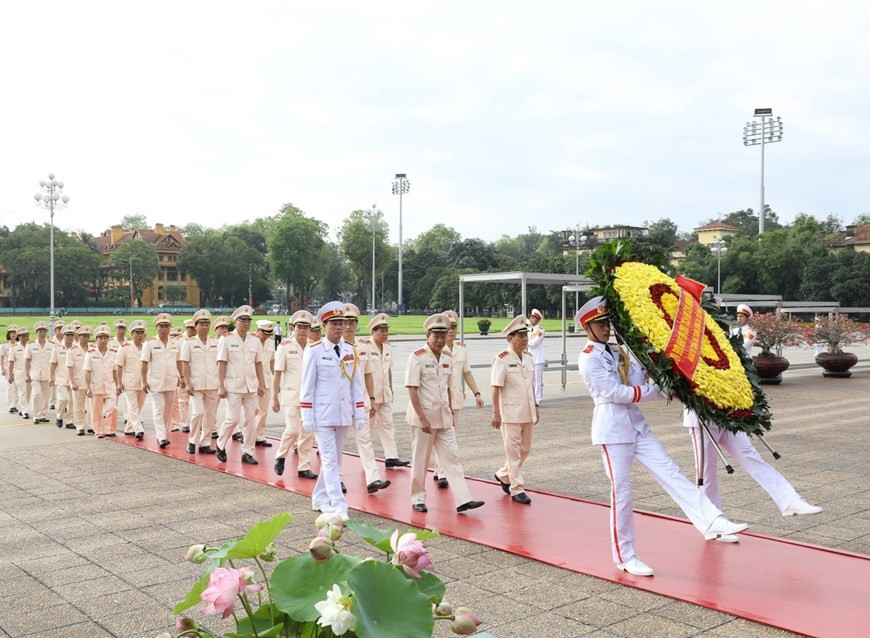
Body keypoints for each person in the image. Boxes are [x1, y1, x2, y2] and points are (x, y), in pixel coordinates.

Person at [577, 296, 748, 577]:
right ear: (588, 328)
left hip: (637, 426)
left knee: (672, 472)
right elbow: (614, 393)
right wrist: (652, 391)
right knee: (622, 493)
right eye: (600, 324)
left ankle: (712, 520)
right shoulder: (588, 358)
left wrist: (658, 368)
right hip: (612, 429)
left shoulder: (620, 351)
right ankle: (625, 556)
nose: (606, 328)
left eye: (607, 322)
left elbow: (637, 377)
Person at [405, 313, 484, 515]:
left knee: (452, 458)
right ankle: (418, 498)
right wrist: (422, 418)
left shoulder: (448, 357)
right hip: (424, 419)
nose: (440, 340)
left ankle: (463, 499)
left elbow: (449, 387)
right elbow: (412, 390)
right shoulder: (417, 357)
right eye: (436, 336)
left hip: (443, 417)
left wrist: (449, 409)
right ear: (427, 336)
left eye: (443, 335)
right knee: (421, 460)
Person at [683, 408, 823, 516]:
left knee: (752, 458)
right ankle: (712, 519)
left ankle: (790, 500)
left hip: (728, 416)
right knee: (707, 471)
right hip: (702, 419)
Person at [300, 301, 365, 518]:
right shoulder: (315, 351)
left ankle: (319, 498)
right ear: (324, 325)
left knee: (334, 461)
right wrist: (306, 414)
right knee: (329, 461)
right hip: (323, 415)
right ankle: (339, 506)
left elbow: (356, 385)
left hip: (343, 413)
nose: (339, 327)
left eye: (341, 323)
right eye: (334, 323)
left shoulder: (350, 350)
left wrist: (360, 412)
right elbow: (307, 386)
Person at [342, 304, 391, 494]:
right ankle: (336, 479)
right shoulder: (332, 346)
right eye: (344, 322)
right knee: (338, 443)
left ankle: (373, 479)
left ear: (356, 324)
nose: (347, 326)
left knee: (365, 440)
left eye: (351, 322)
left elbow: (369, 374)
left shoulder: (364, 346)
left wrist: (371, 398)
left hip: (361, 400)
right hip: (341, 403)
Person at [491, 315, 539, 505]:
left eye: (526, 336)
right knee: (513, 453)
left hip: (527, 411)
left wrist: (536, 405)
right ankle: (516, 488)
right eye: (520, 336)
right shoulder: (502, 359)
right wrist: (496, 413)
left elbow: (531, 386)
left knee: (525, 449)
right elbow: (495, 387)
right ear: (510, 338)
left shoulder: (528, 358)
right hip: (509, 413)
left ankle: (503, 474)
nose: (525, 340)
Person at [432, 310, 483, 488]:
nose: (452, 331)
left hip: (456, 398)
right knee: (444, 435)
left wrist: (476, 392)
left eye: (454, 327)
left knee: (450, 436)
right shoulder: (436, 349)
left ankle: (440, 470)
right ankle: (441, 471)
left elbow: (466, 372)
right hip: (441, 399)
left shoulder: (461, 348)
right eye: (449, 328)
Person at [215, 305, 266, 465]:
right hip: (233, 385)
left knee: (250, 420)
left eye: (248, 320)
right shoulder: (227, 339)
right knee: (233, 418)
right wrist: (221, 385)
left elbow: (258, 364)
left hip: (251, 385)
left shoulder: (255, 340)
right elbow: (221, 363)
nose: (246, 323)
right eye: (242, 320)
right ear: (235, 322)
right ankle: (220, 444)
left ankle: (247, 451)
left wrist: (262, 384)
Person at [273, 310, 317, 479]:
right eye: (299, 326)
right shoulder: (285, 347)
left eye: (306, 327)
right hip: (291, 395)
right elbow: (277, 373)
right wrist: (274, 397)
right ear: (293, 327)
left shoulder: (314, 346)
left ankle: (304, 466)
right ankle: (281, 456)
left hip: (309, 397)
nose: (303, 330)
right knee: (292, 430)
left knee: (307, 432)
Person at [364, 313, 409, 469]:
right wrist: (367, 396)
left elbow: (388, 370)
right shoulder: (366, 347)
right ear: (373, 331)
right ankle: (367, 459)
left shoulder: (388, 347)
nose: (385, 334)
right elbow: (364, 373)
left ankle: (391, 457)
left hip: (385, 394)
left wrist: (390, 388)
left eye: (386, 331)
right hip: (370, 396)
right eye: (381, 331)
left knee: (388, 426)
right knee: (367, 429)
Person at [180, 309, 220, 455]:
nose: (204, 327)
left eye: (206, 324)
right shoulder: (189, 343)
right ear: (195, 326)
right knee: (198, 413)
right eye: (201, 324)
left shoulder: (216, 342)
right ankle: (192, 441)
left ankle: (205, 443)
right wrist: (187, 383)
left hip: (212, 384)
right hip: (196, 385)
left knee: (210, 415)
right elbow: (185, 363)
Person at [140, 313, 180, 448]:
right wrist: (144, 381)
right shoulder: (150, 343)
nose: (164, 329)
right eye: (161, 326)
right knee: (158, 409)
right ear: (156, 328)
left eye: (167, 326)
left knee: (168, 410)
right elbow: (144, 363)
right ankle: (161, 437)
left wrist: (182, 376)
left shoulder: (175, 343)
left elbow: (178, 361)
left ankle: (164, 434)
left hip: (171, 381)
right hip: (156, 381)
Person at [84, 325, 118, 438]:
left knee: (112, 408)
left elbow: (115, 371)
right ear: (96, 339)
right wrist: (88, 387)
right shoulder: (90, 353)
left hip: (110, 385)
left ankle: (110, 429)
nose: (103, 340)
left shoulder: (113, 353)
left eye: (105, 338)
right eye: (101, 338)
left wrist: (118, 385)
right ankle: (98, 431)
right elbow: (87, 372)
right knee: (96, 411)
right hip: (96, 386)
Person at [115, 320, 147, 439]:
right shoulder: (124, 347)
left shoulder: (147, 347)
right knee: (132, 407)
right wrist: (119, 383)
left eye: (142, 332)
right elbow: (119, 366)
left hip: (143, 382)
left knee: (138, 407)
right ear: (132, 333)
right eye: (137, 332)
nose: (140, 335)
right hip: (130, 382)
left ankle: (129, 429)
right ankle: (139, 429)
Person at [253, 320, 276, 449]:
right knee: (252, 410)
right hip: (252, 380)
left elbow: (272, 362)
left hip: (266, 379)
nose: (267, 336)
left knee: (263, 410)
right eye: (265, 333)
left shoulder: (271, 343)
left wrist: (276, 379)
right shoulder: (251, 342)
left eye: (269, 333)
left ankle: (259, 436)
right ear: (259, 331)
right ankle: (248, 434)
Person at [25, 321, 53, 423]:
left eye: (44, 331)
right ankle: (36, 415)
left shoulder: (51, 345)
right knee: (36, 394)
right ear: (36, 332)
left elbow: (54, 361)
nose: (42, 333)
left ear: (46, 332)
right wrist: (27, 374)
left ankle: (43, 414)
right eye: (40, 331)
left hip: (47, 374)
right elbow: (27, 361)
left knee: (46, 395)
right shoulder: (31, 345)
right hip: (35, 374)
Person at [50, 325, 76, 429]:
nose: (70, 337)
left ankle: (69, 420)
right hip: (61, 378)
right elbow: (53, 364)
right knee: (63, 399)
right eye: (67, 335)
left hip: (73, 379)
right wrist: (51, 377)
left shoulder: (76, 348)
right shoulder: (57, 348)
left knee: (72, 401)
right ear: (63, 335)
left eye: (71, 335)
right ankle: (59, 417)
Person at [67, 326, 92, 436]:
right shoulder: (72, 351)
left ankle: (91, 425)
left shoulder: (93, 349)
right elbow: (70, 367)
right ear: (78, 336)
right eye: (83, 336)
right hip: (78, 381)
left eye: (88, 336)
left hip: (91, 383)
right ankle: (80, 426)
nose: (86, 338)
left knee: (92, 406)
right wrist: (72, 382)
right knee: (79, 406)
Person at [8, 326, 31, 420]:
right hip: (19, 374)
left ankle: (22, 408)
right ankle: (25, 411)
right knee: (22, 392)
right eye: (22, 336)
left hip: (30, 373)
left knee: (28, 392)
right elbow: (11, 362)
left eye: (26, 335)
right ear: (19, 337)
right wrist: (10, 374)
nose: (25, 338)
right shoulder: (14, 348)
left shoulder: (31, 346)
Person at [527, 309, 546, 405]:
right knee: (530, 379)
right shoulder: (529, 330)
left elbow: (534, 343)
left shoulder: (540, 330)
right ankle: (531, 398)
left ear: (538, 320)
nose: (531, 319)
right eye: (531, 317)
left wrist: (525, 343)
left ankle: (538, 399)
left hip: (537, 357)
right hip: (529, 356)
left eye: (533, 317)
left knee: (538, 380)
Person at [1, 325, 18, 414]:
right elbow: (2, 357)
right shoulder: (4, 345)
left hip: (18, 368)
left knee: (16, 387)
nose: (14, 334)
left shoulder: (19, 344)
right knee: (9, 387)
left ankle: (15, 404)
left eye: (15, 333)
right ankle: (11, 405)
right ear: (9, 334)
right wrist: (2, 368)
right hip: (7, 368)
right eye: (12, 333)